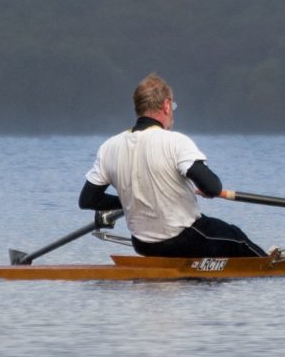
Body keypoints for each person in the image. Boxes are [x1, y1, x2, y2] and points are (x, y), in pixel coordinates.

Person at [79, 73, 265, 259]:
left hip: (143, 245)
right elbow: (213, 187)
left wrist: (132, 201)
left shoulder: (109, 147)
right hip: (185, 239)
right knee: (237, 239)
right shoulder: (176, 142)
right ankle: (271, 267)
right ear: (166, 105)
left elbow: (88, 200)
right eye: (173, 106)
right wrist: (206, 189)